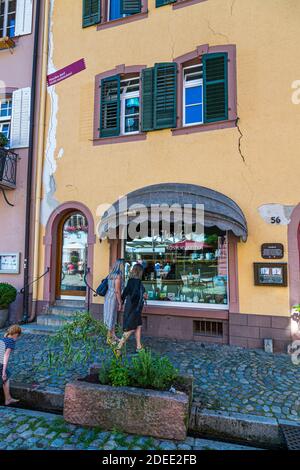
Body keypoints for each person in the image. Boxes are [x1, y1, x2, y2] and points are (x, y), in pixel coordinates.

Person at [116, 264, 147, 355]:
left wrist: (121, 302)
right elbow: (141, 295)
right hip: (135, 308)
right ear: (140, 272)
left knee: (138, 325)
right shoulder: (138, 282)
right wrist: (144, 296)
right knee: (131, 328)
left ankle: (138, 346)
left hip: (130, 306)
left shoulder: (130, 281)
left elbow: (125, 293)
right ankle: (118, 347)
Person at [103, 258, 125, 346]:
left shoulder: (111, 274)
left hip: (108, 296)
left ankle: (113, 335)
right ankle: (109, 338)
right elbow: (117, 290)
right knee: (111, 317)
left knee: (110, 316)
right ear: (121, 266)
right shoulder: (118, 276)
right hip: (113, 298)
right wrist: (120, 302)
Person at [0, 325, 22, 406]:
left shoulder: (3, 338)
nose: (18, 337)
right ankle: (8, 399)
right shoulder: (11, 341)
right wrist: (3, 372)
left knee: (6, 378)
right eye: (18, 335)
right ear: (16, 334)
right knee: (5, 376)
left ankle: (8, 398)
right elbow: (5, 357)